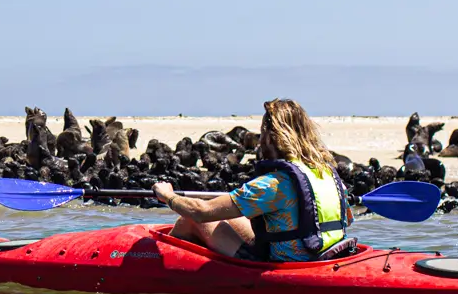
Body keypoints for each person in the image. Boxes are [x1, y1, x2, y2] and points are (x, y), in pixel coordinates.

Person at [152, 99, 354, 262]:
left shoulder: (273, 185)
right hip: (326, 254)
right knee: (230, 215)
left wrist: (168, 195)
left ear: (271, 136)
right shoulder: (329, 176)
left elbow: (200, 212)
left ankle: (165, 268)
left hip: (288, 263)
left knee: (189, 219)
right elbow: (348, 219)